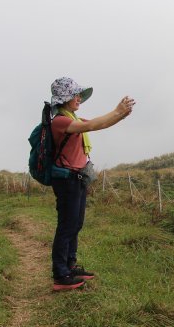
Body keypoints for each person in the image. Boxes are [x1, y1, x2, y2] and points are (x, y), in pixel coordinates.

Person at [49, 77, 135, 291]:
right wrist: (116, 111)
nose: (79, 98)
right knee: (67, 226)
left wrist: (120, 115)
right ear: (65, 98)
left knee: (75, 224)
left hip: (77, 178)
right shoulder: (61, 121)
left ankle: (70, 266)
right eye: (75, 95)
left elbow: (99, 124)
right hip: (67, 179)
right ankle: (60, 274)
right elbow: (93, 125)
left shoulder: (72, 117)